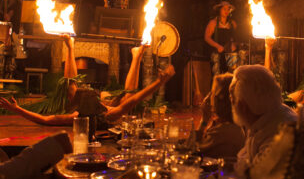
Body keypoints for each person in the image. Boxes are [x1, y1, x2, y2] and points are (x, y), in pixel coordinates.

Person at [0, 36, 175, 125]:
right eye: (89, 94)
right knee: (128, 98)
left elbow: (44, 120)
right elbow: (137, 98)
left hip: (89, 103)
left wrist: (16, 109)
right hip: (108, 110)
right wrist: (159, 83)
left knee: (70, 88)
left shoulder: (76, 114)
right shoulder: (106, 114)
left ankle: (70, 47)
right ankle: (137, 56)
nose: (89, 90)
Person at [229, 64, 297, 167]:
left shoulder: (280, 132)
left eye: (233, 100)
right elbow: (244, 160)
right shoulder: (263, 122)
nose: (232, 107)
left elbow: (258, 176)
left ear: (243, 106)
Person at [196, 73, 245, 158]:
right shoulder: (239, 126)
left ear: (219, 98)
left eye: (212, 93)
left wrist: (204, 120)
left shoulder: (222, 132)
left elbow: (190, 152)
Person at [204, 0, 238, 75]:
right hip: (217, 53)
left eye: (228, 9)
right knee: (217, 77)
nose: (226, 11)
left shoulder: (233, 24)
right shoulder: (213, 23)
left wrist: (234, 44)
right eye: (224, 9)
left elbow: (236, 38)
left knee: (231, 76)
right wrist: (218, 46)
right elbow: (206, 37)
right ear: (220, 10)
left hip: (230, 54)